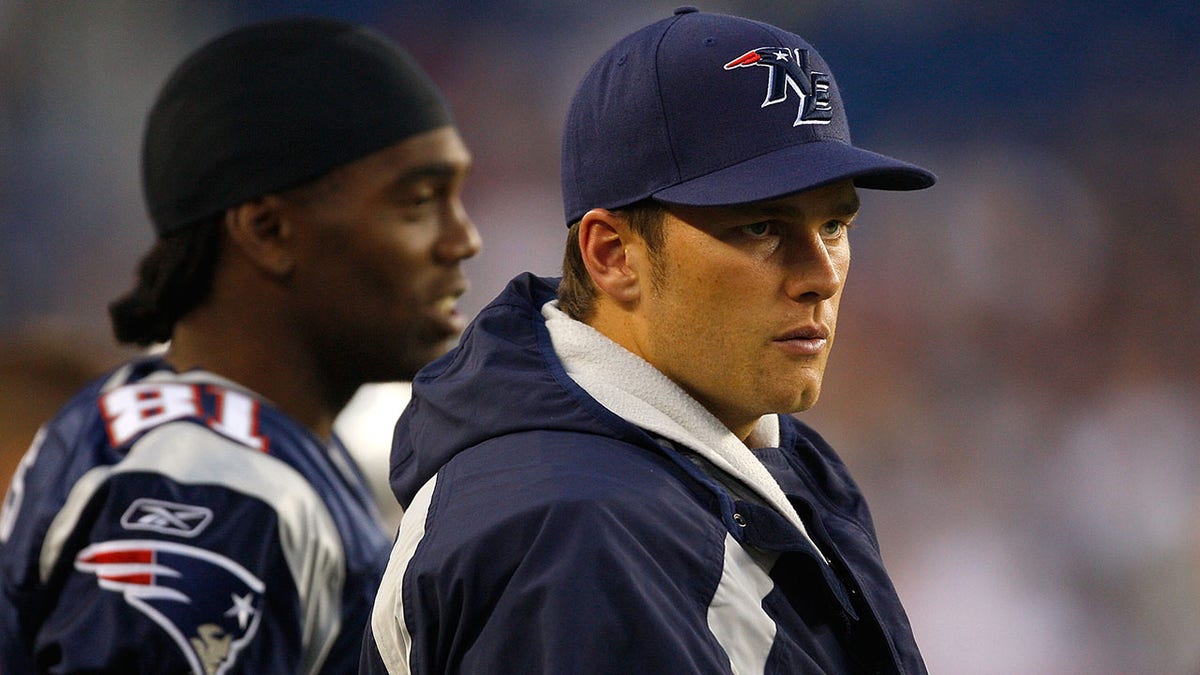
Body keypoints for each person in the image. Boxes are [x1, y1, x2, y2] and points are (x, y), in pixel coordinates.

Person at [363, 7, 935, 675]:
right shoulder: (570, 535)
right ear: (613, 255)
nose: (820, 275)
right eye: (761, 228)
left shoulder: (755, 452)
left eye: (835, 224)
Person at [0, 16, 480, 674]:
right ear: (269, 229)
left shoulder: (210, 438)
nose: (462, 239)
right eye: (420, 201)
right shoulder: (208, 481)